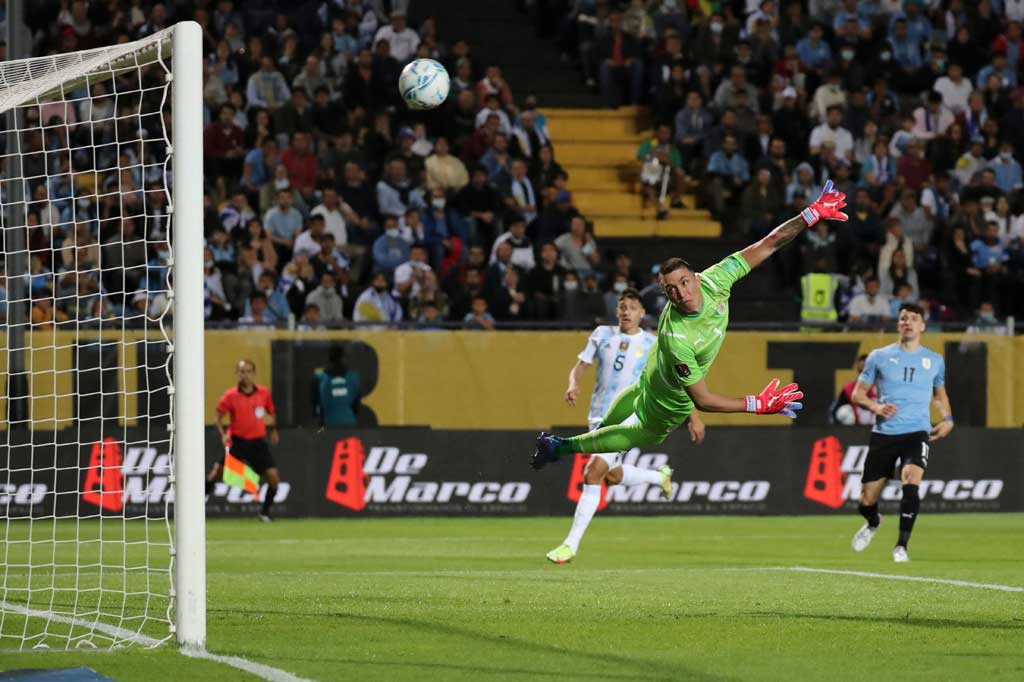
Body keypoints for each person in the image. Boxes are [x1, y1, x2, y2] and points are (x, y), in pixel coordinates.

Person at [532, 181, 848, 482]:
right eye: (672, 290)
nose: (682, 293)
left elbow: (769, 244)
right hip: (666, 402)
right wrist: (757, 404)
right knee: (643, 434)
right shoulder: (677, 339)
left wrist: (811, 214)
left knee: (623, 411)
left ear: (696, 277)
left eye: (684, 283)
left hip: (652, 373)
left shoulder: (716, 278)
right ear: (665, 294)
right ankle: (560, 446)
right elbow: (704, 400)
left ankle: (589, 440)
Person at [546, 288, 705, 564]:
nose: (626, 312)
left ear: (642, 314)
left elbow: (677, 380)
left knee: (592, 473)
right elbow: (581, 366)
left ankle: (570, 545)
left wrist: (694, 416)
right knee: (612, 475)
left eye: (632, 308)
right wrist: (573, 384)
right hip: (598, 416)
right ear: (616, 311)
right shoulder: (601, 334)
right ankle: (659, 477)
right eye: (622, 307)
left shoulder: (654, 343)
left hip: (630, 416)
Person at [849, 303, 954, 562]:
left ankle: (901, 546)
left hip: (917, 431)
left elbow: (939, 394)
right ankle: (873, 522)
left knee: (911, 478)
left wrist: (948, 419)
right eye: (903, 318)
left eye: (913, 318)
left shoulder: (935, 360)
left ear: (922, 326)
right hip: (885, 434)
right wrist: (876, 406)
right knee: (865, 500)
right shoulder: (878, 356)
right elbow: (857, 393)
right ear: (898, 324)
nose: (907, 322)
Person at [206, 359, 281, 522]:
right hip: (237, 442)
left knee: (274, 478)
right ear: (236, 374)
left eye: (248, 371)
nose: (244, 375)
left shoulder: (264, 393)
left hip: (258, 443)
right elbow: (217, 418)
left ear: (253, 374)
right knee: (215, 474)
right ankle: (195, 508)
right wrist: (223, 434)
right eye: (241, 371)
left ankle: (264, 513)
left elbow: (272, 412)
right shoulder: (230, 396)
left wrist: (274, 430)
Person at [313, 345, 361, 427]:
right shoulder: (353, 378)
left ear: (329, 359)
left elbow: (315, 404)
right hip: (349, 423)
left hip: (326, 424)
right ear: (343, 358)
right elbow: (356, 405)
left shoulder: (319, 378)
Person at [829, 354, 877, 426]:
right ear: (858, 369)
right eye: (861, 369)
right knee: (844, 411)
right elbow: (835, 409)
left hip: (877, 425)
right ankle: (850, 434)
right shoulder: (850, 388)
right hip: (856, 426)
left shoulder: (881, 386)